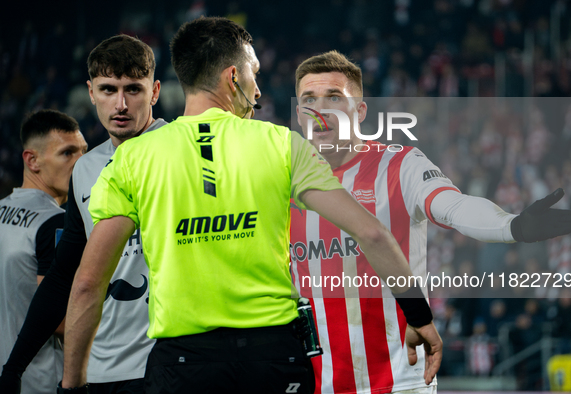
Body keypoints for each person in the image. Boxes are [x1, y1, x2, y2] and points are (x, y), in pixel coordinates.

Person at [59, 17, 442, 394]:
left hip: (183, 365)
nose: (257, 90)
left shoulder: (132, 159)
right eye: (253, 73)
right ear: (233, 77)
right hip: (272, 359)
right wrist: (418, 315)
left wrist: (72, 384)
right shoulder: (281, 144)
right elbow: (372, 232)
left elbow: (90, 283)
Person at [290, 50, 571, 394]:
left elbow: (454, 206)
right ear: (299, 114)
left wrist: (511, 226)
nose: (320, 110)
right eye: (309, 99)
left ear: (360, 111)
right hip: (319, 383)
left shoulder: (399, 165)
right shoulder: (285, 182)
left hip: (402, 380)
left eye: (334, 97)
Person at [0, 35, 164, 393]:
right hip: (103, 370)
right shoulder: (87, 169)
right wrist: (14, 367)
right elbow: (63, 277)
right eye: (108, 90)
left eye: (133, 89)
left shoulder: (182, 150)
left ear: (154, 92)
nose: (120, 104)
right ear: (91, 92)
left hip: (168, 362)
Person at [0, 109, 87, 394]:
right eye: (67, 153)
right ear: (32, 160)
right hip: (39, 379)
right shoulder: (54, 223)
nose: (81, 162)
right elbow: (61, 322)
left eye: (84, 151)